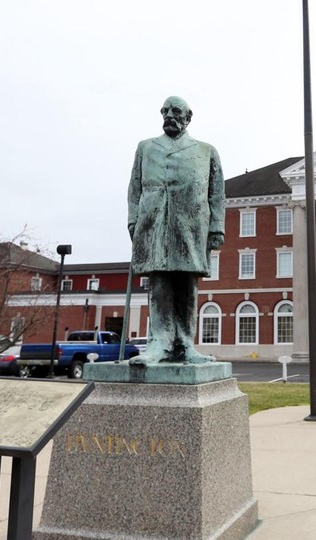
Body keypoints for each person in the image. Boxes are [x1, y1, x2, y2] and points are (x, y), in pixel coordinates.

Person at [127, 96, 224, 365]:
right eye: (165, 110)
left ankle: (185, 344)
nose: (169, 115)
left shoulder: (206, 150)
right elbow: (134, 186)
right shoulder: (145, 147)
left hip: (191, 224)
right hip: (153, 221)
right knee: (158, 281)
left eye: (176, 110)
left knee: (187, 282)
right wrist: (133, 221)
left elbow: (216, 193)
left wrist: (216, 227)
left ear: (188, 117)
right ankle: (159, 343)